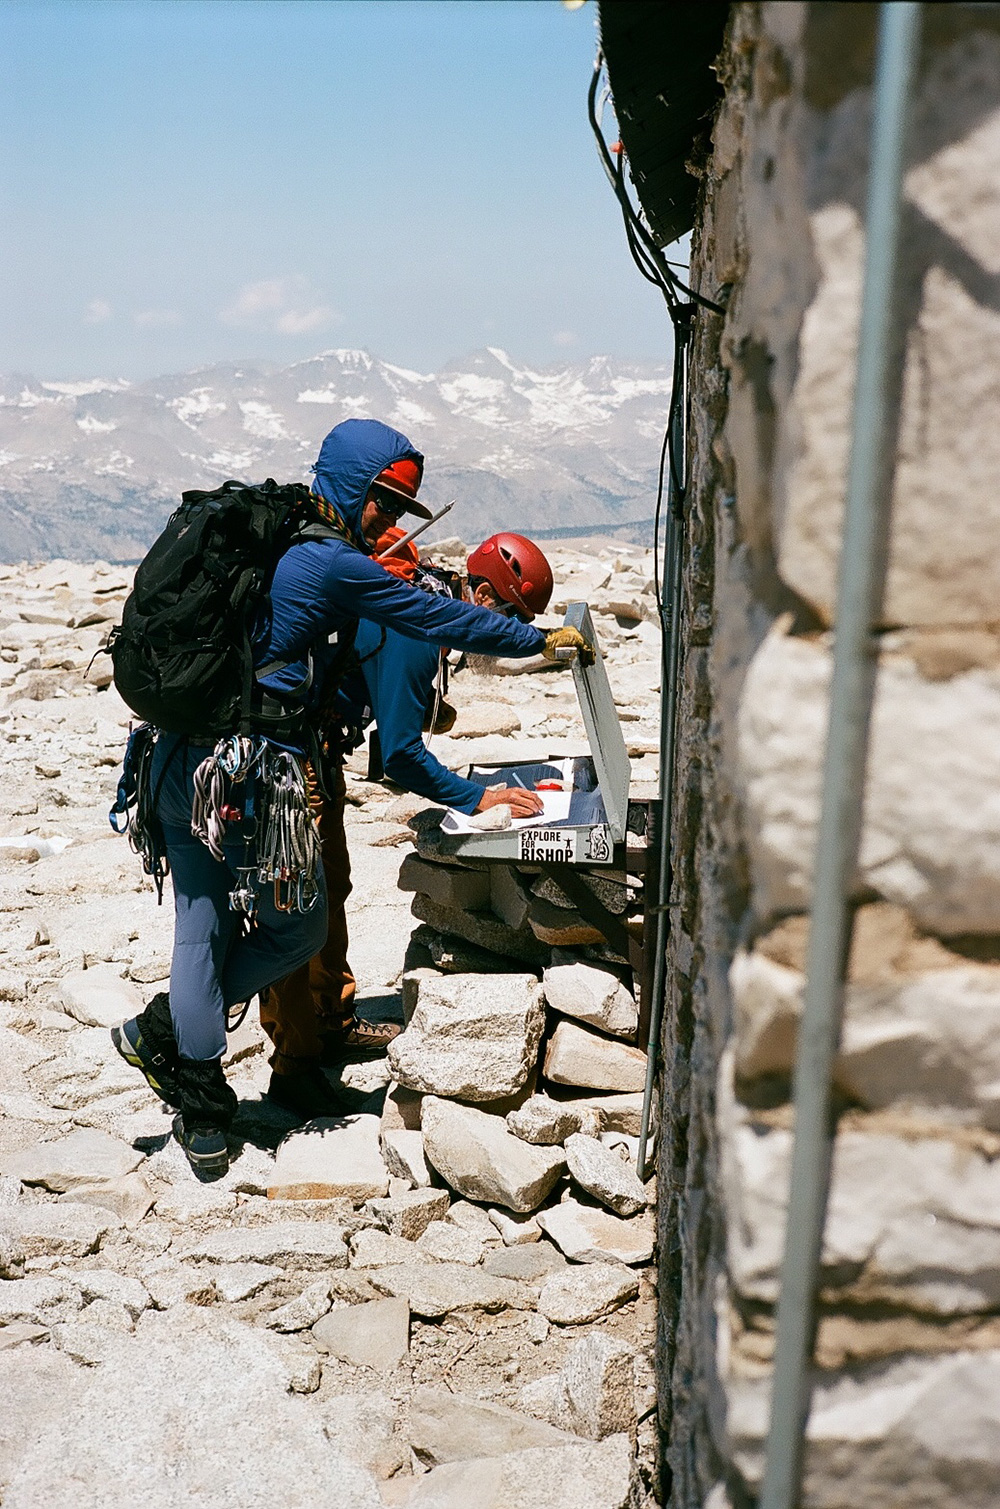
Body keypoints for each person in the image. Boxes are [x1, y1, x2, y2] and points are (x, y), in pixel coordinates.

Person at [113, 418, 592, 1174]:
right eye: (383, 502)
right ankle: (171, 1027)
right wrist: (536, 642)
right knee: (294, 930)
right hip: (242, 778)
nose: (388, 520)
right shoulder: (331, 561)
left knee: (201, 931)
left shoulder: (279, 534)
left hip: (175, 759)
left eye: (398, 508)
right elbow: (433, 616)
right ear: (349, 485)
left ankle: (201, 1104)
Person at [257, 529, 559, 1111]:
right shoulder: (420, 626)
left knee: (331, 886)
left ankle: (331, 1019)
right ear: (481, 597)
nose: (506, 637)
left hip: (315, 749)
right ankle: (295, 1065)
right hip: (293, 761)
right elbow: (400, 755)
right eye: (510, 618)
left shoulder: (425, 600)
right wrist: (477, 798)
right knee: (301, 902)